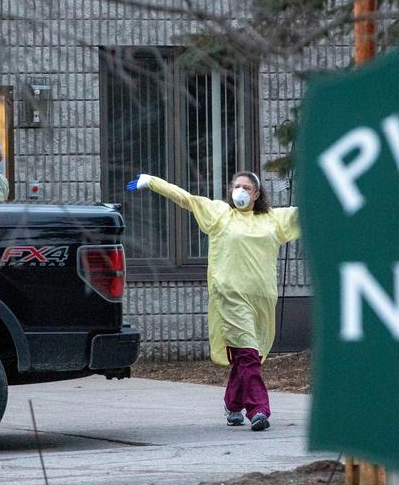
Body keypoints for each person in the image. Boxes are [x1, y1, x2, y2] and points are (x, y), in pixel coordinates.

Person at [127, 171, 300, 431]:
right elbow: (187, 199)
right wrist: (153, 182)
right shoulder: (220, 214)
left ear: (256, 194)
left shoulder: (274, 219)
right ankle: (259, 409)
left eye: (246, 187)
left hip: (262, 298)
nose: (239, 191)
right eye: (236, 186)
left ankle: (232, 404)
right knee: (248, 353)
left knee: (247, 356)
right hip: (230, 296)